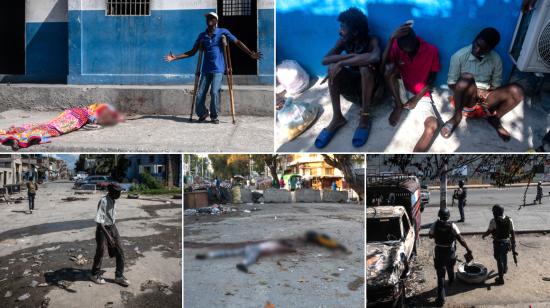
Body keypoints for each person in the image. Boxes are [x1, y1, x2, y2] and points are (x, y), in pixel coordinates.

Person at [164, 12, 262, 124]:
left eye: (211, 18)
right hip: (206, 69)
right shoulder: (202, 35)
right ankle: (203, 113)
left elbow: (237, 42)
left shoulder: (222, 32)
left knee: (215, 92)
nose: (209, 19)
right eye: (207, 18)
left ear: (216, 20)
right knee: (200, 93)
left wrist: (250, 53)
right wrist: (175, 57)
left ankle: (214, 116)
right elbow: (192, 52)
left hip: (218, 69)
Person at [315, 7, 383, 148]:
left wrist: (341, 62)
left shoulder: (372, 41)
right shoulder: (343, 42)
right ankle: (337, 117)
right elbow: (325, 60)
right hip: (353, 90)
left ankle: (365, 116)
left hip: (373, 93)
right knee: (332, 69)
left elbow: (375, 56)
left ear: (355, 31)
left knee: (365, 68)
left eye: (343, 28)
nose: (340, 31)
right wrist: (351, 57)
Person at [442, 27, 525, 141]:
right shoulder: (459, 56)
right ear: (475, 39)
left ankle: (494, 118)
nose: (477, 50)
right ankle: (456, 116)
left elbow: (496, 85)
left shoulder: (496, 59)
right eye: (476, 44)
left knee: (517, 90)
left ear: (491, 49)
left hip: (485, 100)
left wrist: (484, 93)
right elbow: (451, 83)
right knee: (466, 78)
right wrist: (474, 91)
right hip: (466, 98)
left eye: (483, 49)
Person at [381, 23, 441, 152]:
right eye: (405, 51)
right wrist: (391, 39)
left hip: (421, 93)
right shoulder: (397, 46)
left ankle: (415, 160)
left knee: (432, 126)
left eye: (412, 50)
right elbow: (383, 67)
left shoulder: (431, 50)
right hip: (400, 88)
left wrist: (416, 99)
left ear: (416, 41)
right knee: (388, 68)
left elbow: (431, 80)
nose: (408, 53)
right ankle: (398, 105)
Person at [0, 103, 123, 151]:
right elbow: (93, 120)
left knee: (47, 125)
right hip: (71, 120)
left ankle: (15, 132)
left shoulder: (86, 108)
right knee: (51, 129)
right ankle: (18, 138)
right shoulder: (92, 112)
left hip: (68, 113)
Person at [429, 208, 472, 306]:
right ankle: (451, 280)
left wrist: (437, 236)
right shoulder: (452, 225)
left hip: (439, 251)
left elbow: (430, 236)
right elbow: (460, 239)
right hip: (450, 251)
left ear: (439, 215)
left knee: (440, 275)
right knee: (450, 266)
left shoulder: (435, 224)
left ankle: (441, 299)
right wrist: (468, 249)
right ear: (448, 216)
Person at [90, 183, 130, 287]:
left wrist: (112, 234)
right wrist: (108, 237)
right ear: (111, 191)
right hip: (102, 229)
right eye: (117, 192)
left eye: (120, 192)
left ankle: (119, 276)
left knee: (120, 250)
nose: (119, 194)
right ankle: (94, 274)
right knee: (101, 250)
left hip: (112, 227)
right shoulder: (103, 201)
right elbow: (100, 222)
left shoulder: (113, 200)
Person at [482, 204, 516, 285]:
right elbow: (512, 232)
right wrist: (513, 243)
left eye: (493, 211)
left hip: (498, 243)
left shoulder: (494, 221)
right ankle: (505, 269)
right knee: (504, 255)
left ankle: (501, 279)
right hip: (507, 242)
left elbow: (489, 231)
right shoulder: (509, 219)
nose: (493, 213)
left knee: (498, 259)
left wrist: (484, 235)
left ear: (495, 212)